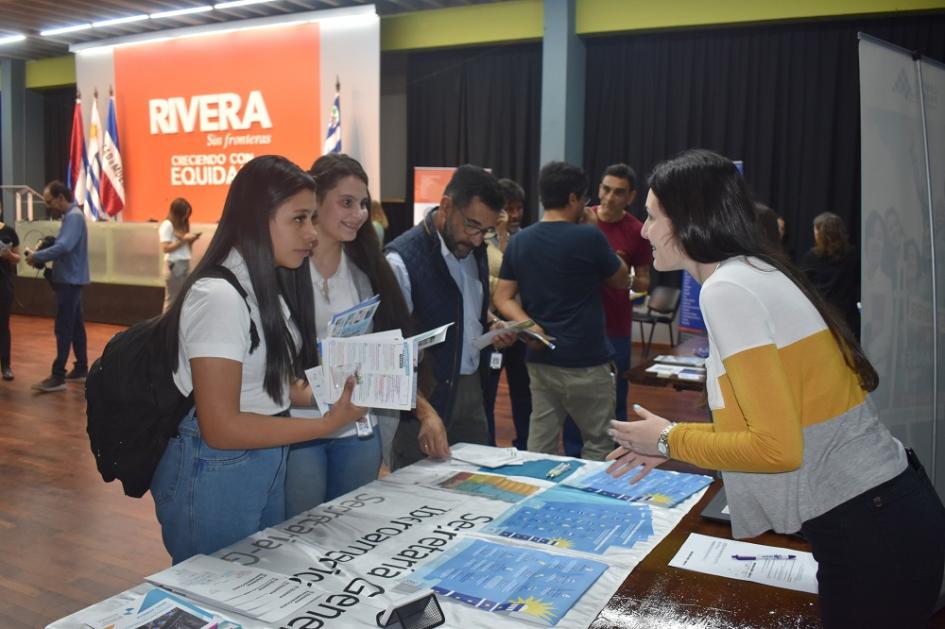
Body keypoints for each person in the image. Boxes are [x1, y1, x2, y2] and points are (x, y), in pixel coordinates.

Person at [607, 149, 945, 628]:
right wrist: (675, 442)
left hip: (870, 525)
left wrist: (668, 439)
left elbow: (777, 448)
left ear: (689, 219)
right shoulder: (754, 271)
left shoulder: (727, 289)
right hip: (881, 512)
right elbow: (769, 417)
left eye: (653, 215)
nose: (643, 229)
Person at [149, 155, 366, 564]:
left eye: (312, 219)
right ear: (258, 218)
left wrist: (342, 391)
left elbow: (267, 385)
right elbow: (221, 427)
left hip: (260, 462)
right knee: (217, 595)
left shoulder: (261, 286)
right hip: (216, 470)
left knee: (253, 587)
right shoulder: (219, 297)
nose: (311, 234)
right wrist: (326, 424)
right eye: (299, 219)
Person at [285, 154, 449, 516]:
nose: (359, 213)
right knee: (300, 533)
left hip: (358, 429)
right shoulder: (285, 268)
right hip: (298, 430)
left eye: (362, 203)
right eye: (346, 202)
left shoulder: (368, 270)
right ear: (315, 202)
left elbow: (389, 353)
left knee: (349, 528)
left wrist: (425, 411)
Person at [494, 161, 629, 461]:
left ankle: (536, 501)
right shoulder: (590, 237)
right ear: (573, 199)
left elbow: (503, 298)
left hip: (542, 359)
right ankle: (589, 503)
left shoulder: (520, 241)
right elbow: (621, 280)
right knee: (598, 442)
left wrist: (530, 326)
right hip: (588, 359)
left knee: (540, 443)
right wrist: (596, 232)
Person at [386, 164, 516, 470]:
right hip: (422, 396)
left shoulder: (475, 249)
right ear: (446, 206)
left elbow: (466, 303)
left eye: (485, 231)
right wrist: (423, 411)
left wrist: (492, 324)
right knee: (418, 491)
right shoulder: (400, 261)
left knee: (477, 484)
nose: (476, 239)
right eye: (472, 225)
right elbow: (390, 354)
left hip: (471, 388)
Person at [589, 164, 651, 421]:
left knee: (615, 397)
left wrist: (621, 274)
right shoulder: (582, 219)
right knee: (577, 396)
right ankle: (575, 452)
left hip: (615, 325)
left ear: (631, 197)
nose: (610, 197)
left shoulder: (637, 231)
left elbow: (645, 282)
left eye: (618, 192)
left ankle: (615, 454)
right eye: (606, 189)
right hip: (578, 323)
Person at [26, 181, 90, 393]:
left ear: (61, 197)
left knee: (63, 327)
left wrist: (37, 255)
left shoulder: (73, 217)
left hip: (69, 281)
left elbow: (64, 246)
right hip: (72, 279)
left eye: (49, 201)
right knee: (76, 326)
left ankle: (58, 375)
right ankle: (81, 368)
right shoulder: (74, 216)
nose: (48, 205)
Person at [483, 178, 531, 449]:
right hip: (493, 328)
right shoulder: (482, 238)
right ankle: (487, 447)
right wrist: (499, 234)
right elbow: (490, 281)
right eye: (508, 209)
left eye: (519, 208)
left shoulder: (525, 238)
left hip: (521, 328)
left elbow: (523, 279)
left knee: (523, 394)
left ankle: (524, 444)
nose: (514, 215)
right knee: (487, 395)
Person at [799, 212, 859, 334]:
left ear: (820, 233)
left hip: (822, 317)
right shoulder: (852, 254)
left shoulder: (811, 257)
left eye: (815, 230)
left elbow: (804, 287)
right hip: (847, 317)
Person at [159, 198, 201, 313]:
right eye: (184, 213)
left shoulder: (183, 224)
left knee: (184, 298)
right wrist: (184, 240)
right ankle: (165, 328)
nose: (186, 216)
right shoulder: (167, 225)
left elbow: (185, 249)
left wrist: (191, 240)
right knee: (172, 301)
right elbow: (165, 248)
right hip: (174, 264)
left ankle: (177, 327)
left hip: (184, 263)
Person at [0, 219, 20, 381]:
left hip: (3, 285)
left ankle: (5, 365)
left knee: (3, 326)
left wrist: (8, 255)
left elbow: (17, 258)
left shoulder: (9, 232)